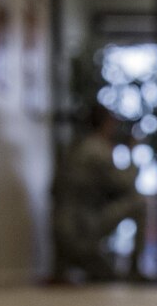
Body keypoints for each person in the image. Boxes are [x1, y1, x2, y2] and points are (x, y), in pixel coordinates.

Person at [50, 106, 147, 282]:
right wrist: (132, 153)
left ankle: (73, 267)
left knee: (106, 276)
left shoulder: (78, 147)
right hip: (81, 232)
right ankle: (135, 271)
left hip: (69, 232)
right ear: (107, 124)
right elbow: (125, 184)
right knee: (140, 203)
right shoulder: (97, 150)